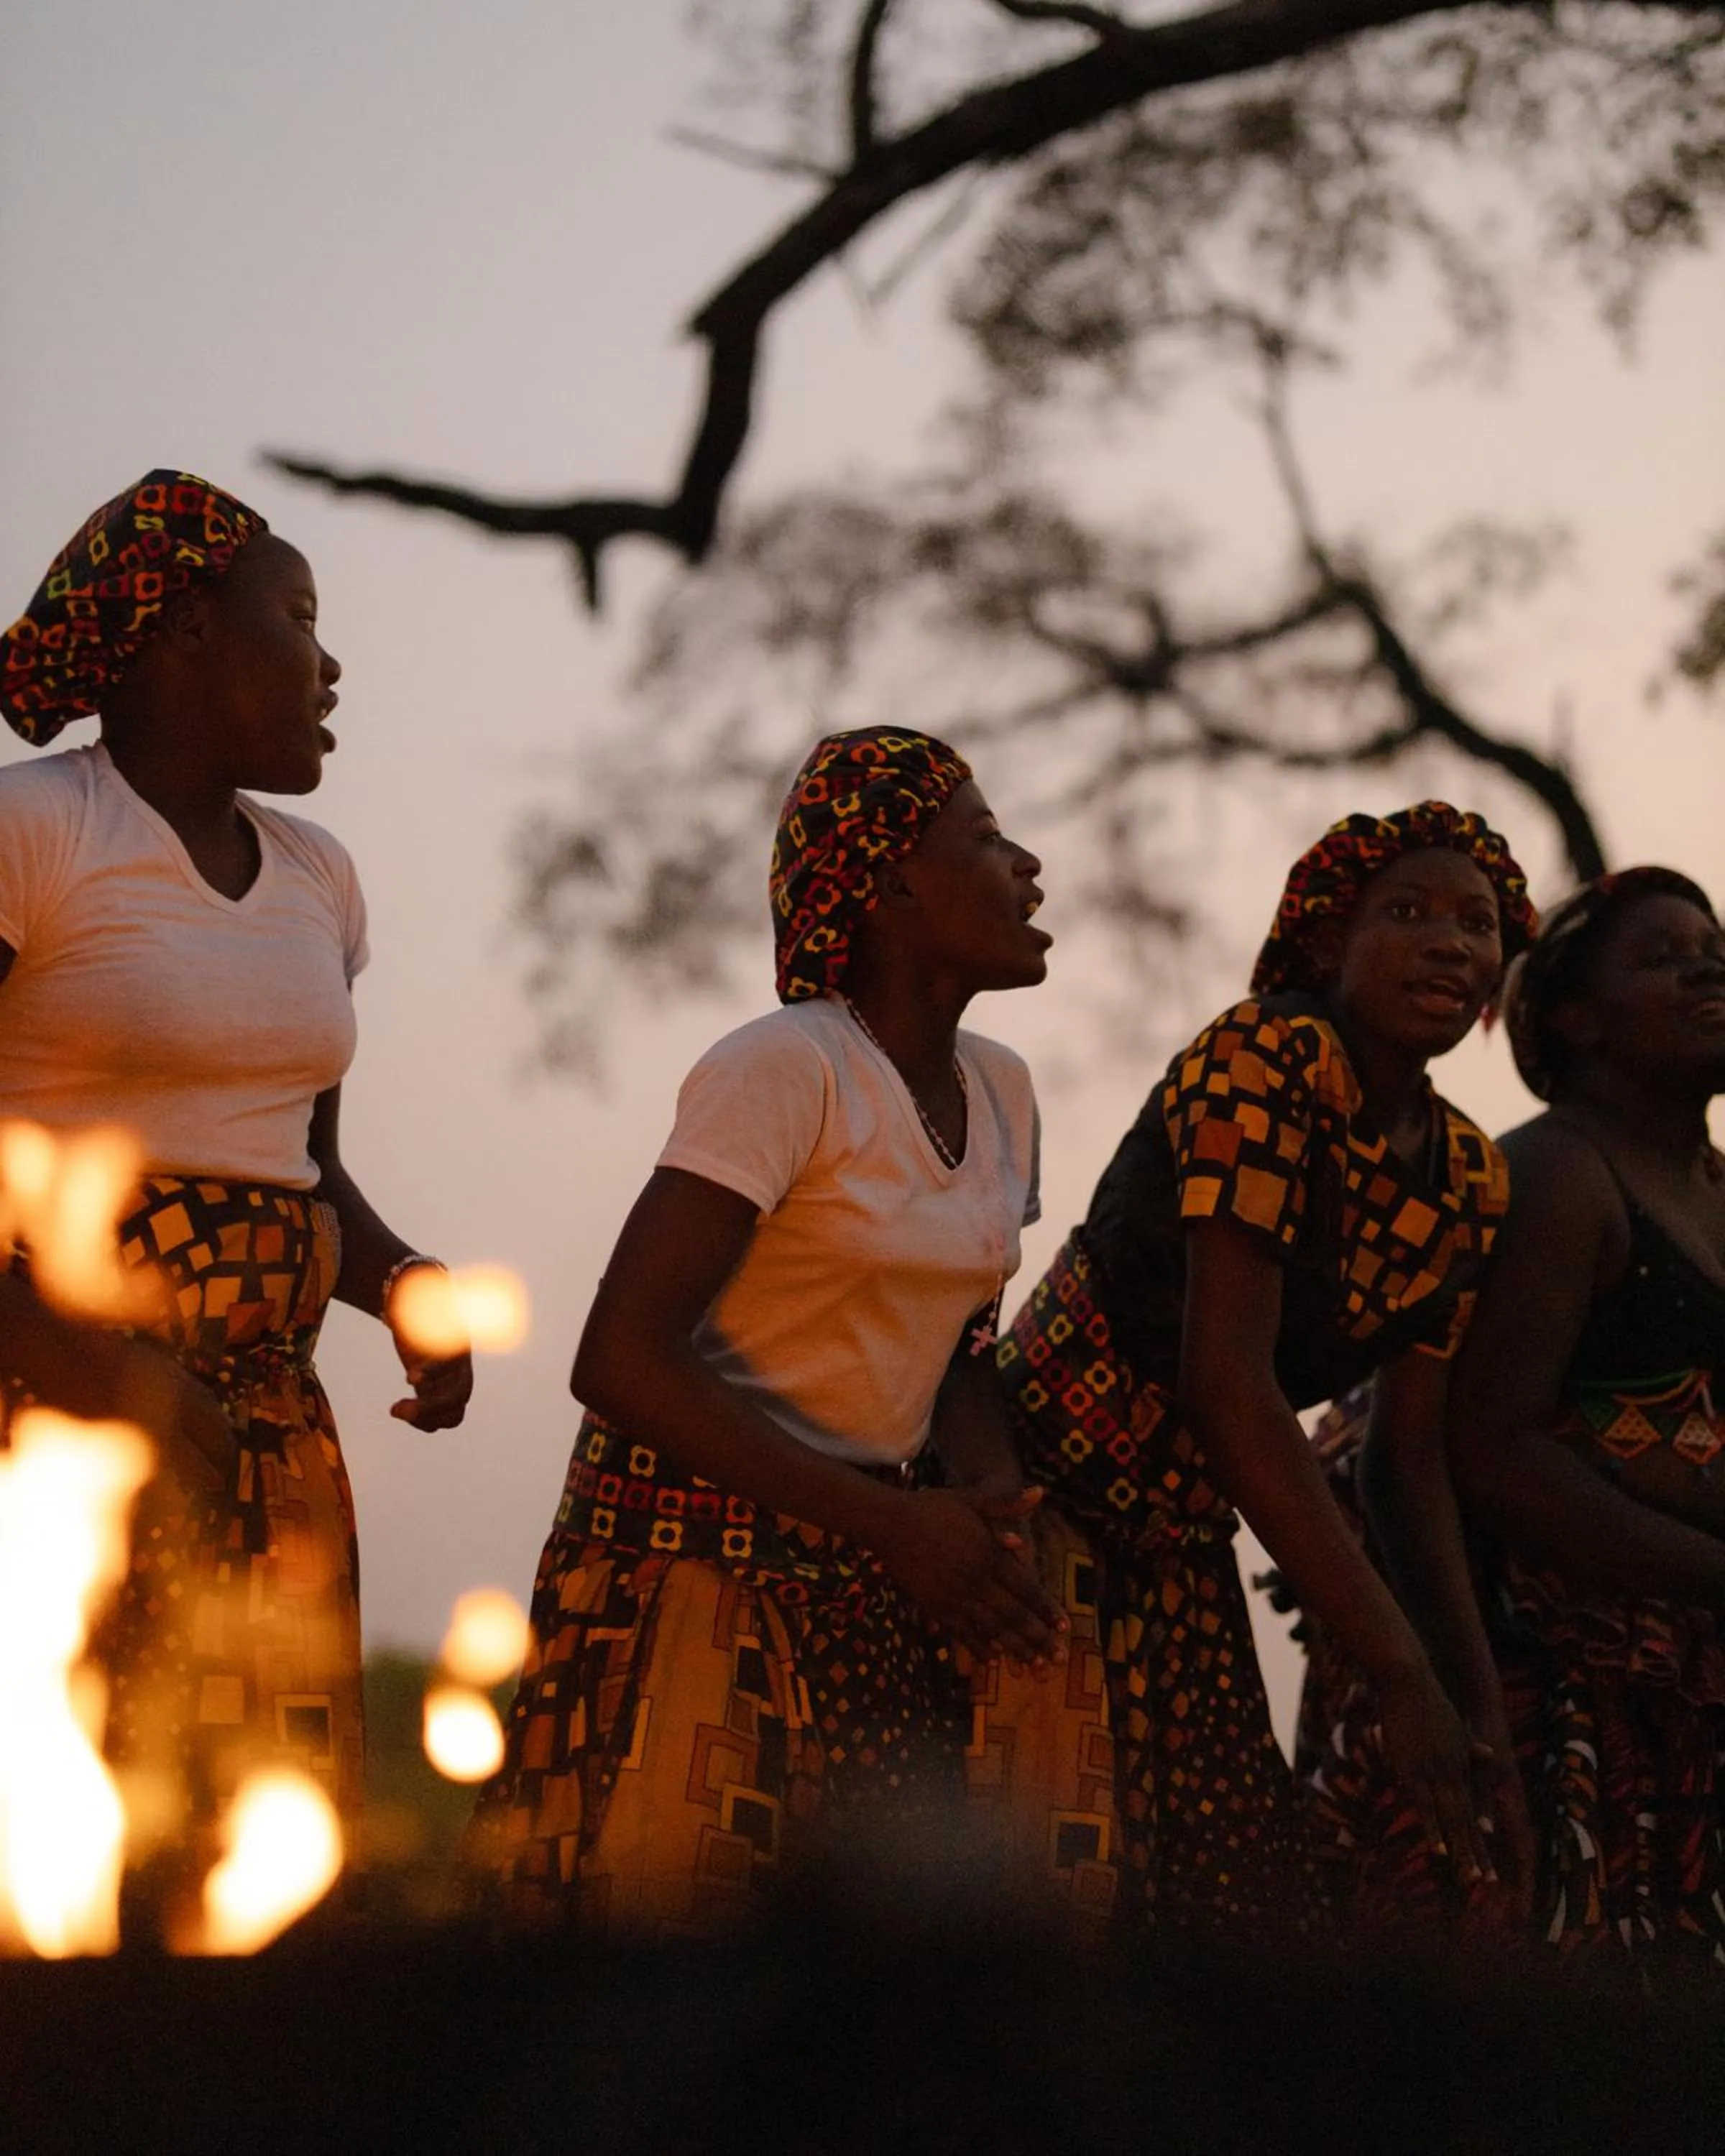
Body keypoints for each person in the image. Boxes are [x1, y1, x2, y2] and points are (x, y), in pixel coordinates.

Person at [479, 726, 1064, 1933]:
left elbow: (955, 1346)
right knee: (663, 1969)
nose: (1029, 866)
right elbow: (621, 1360)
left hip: (869, 1574)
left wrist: (991, 1499)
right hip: (688, 1572)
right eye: (988, 838)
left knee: (854, 2007)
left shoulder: (1002, 1088)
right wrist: (898, 1526)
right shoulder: (788, 1069)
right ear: (896, 879)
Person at [0, 471, 471, 1917]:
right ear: (186, 628)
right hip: (54, 1400)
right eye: (299, 619)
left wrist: (398, 1283)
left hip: (267, 1427)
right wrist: (82, 1369)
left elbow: (301, 1163)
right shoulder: (40, 833)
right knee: (74, 1828)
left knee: (249, 1843)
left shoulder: (320, 881)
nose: (331, 666)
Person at [990, 803, 1536, 1935]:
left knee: (1231, 1909)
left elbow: (1406, 1460)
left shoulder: (1472, 1184)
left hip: (1181, 1549)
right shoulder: (1268, 1058)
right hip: (1028, 1518)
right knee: (1039, 1899)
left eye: (1478, 925)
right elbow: (1227, 1385)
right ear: (1326, 944)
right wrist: (1396, 1674)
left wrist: (1477, 1720)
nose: (1450, 942)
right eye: (1409, 912)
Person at [1432, 867, 1725, 1963]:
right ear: (1574, 1019)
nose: (1709, 968)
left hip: (1684, 1698)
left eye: (1714, 948)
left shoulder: (1712, 1183)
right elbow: (1490, 1452)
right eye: (1663, 956)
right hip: (1570, 1705)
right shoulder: (1558, 1173)